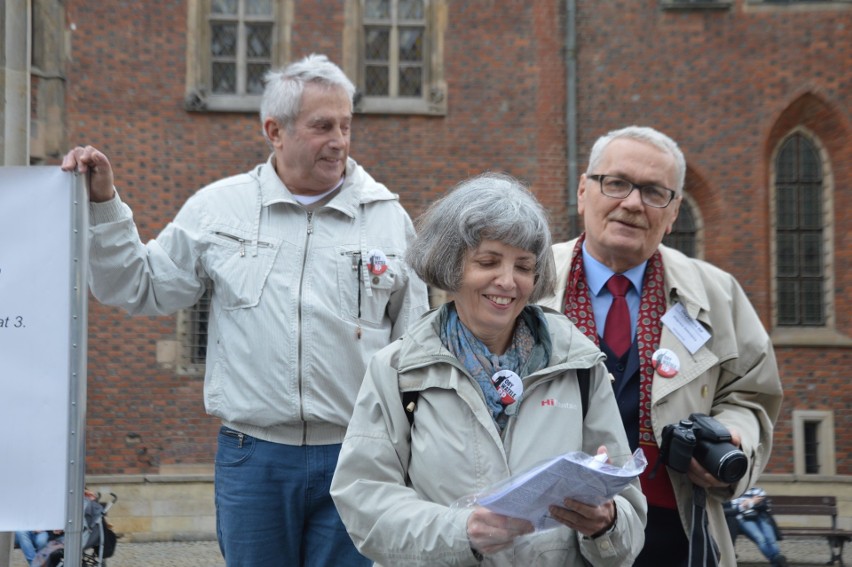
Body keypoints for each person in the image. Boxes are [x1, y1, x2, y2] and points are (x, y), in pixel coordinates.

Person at [61, 53, 429, 566]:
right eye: (322, 126)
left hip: (358, 453)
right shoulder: (219, 208)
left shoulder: (387, 218)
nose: (340, 141)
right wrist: (104, 204)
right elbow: (138, 287)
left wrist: (412, 453)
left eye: (346, 125)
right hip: (253, 457)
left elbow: (415, 348)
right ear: (274, 130)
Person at [330, 173, 647, 566]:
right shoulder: (397, 371)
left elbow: (630, 526)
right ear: (451, 264)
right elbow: (363, 501)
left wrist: (607, 523)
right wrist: (461, 532)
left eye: (524, 266)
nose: (507, 281)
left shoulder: (579, 366)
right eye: (488, 261)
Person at [539, 125, 783, 566]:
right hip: (548, 529)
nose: (632, 203)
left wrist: (734, 437)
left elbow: (750, 394)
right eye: (615, 183)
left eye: (654, 192)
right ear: (582, 192)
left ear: (673, 214)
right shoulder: (527, 282)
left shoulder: (717, 295)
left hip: (673, 534)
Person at [731, 487, 787, 567]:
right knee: (760, 539)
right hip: (743, 518)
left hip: (761, 516)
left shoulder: (756, 490)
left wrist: (748, 504)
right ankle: (777, 560)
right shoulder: (734, 492)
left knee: (770, 539)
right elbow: (734, 508)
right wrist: (753, 502)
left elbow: (765, 504)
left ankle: (776, 562)